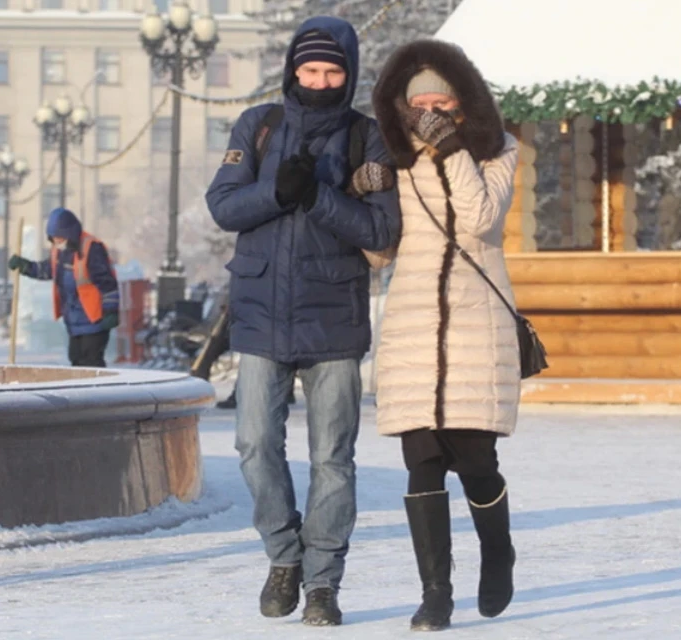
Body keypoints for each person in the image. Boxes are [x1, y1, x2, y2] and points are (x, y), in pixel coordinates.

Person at [206, 16, 401, 626]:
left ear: (348, 72)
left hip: (334, 321)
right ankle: (283, 554)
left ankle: (322, 582)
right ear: (294, 70)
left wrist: (318, 196)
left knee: (332, 460)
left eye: (332, 70)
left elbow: (382, 230)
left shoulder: (365, 140)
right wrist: (278, 194)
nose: (319, 80)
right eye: (309, 69)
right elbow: (224, 205)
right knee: (254, 445)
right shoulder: (258, 126)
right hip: (263, 314)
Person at [371, 39, 521, 631]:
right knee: (422, 462)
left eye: (442, 101)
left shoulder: (496, 149)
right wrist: (366, 196)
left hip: (475, 318)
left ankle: (498, 554)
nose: (429, 112)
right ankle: (436, 592)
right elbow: (379, 252)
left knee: (477, 460)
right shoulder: (396, 158)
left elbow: (482, 219)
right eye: (420, 103)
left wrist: (451, 149)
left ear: (463, 101)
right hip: (413, 323)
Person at [8, 208, 119, 367]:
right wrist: (25, 266)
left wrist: (111, 310)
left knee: (91, 363)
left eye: (59, 238)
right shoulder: (60, 252)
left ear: (70, 233)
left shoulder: (91, 248)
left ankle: (94, 392)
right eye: (53, 239)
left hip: (94, 319)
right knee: (76, 360)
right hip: (74, 320)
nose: (56, 242)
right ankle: (81, 392)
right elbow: (47, 270)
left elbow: (107, 283)